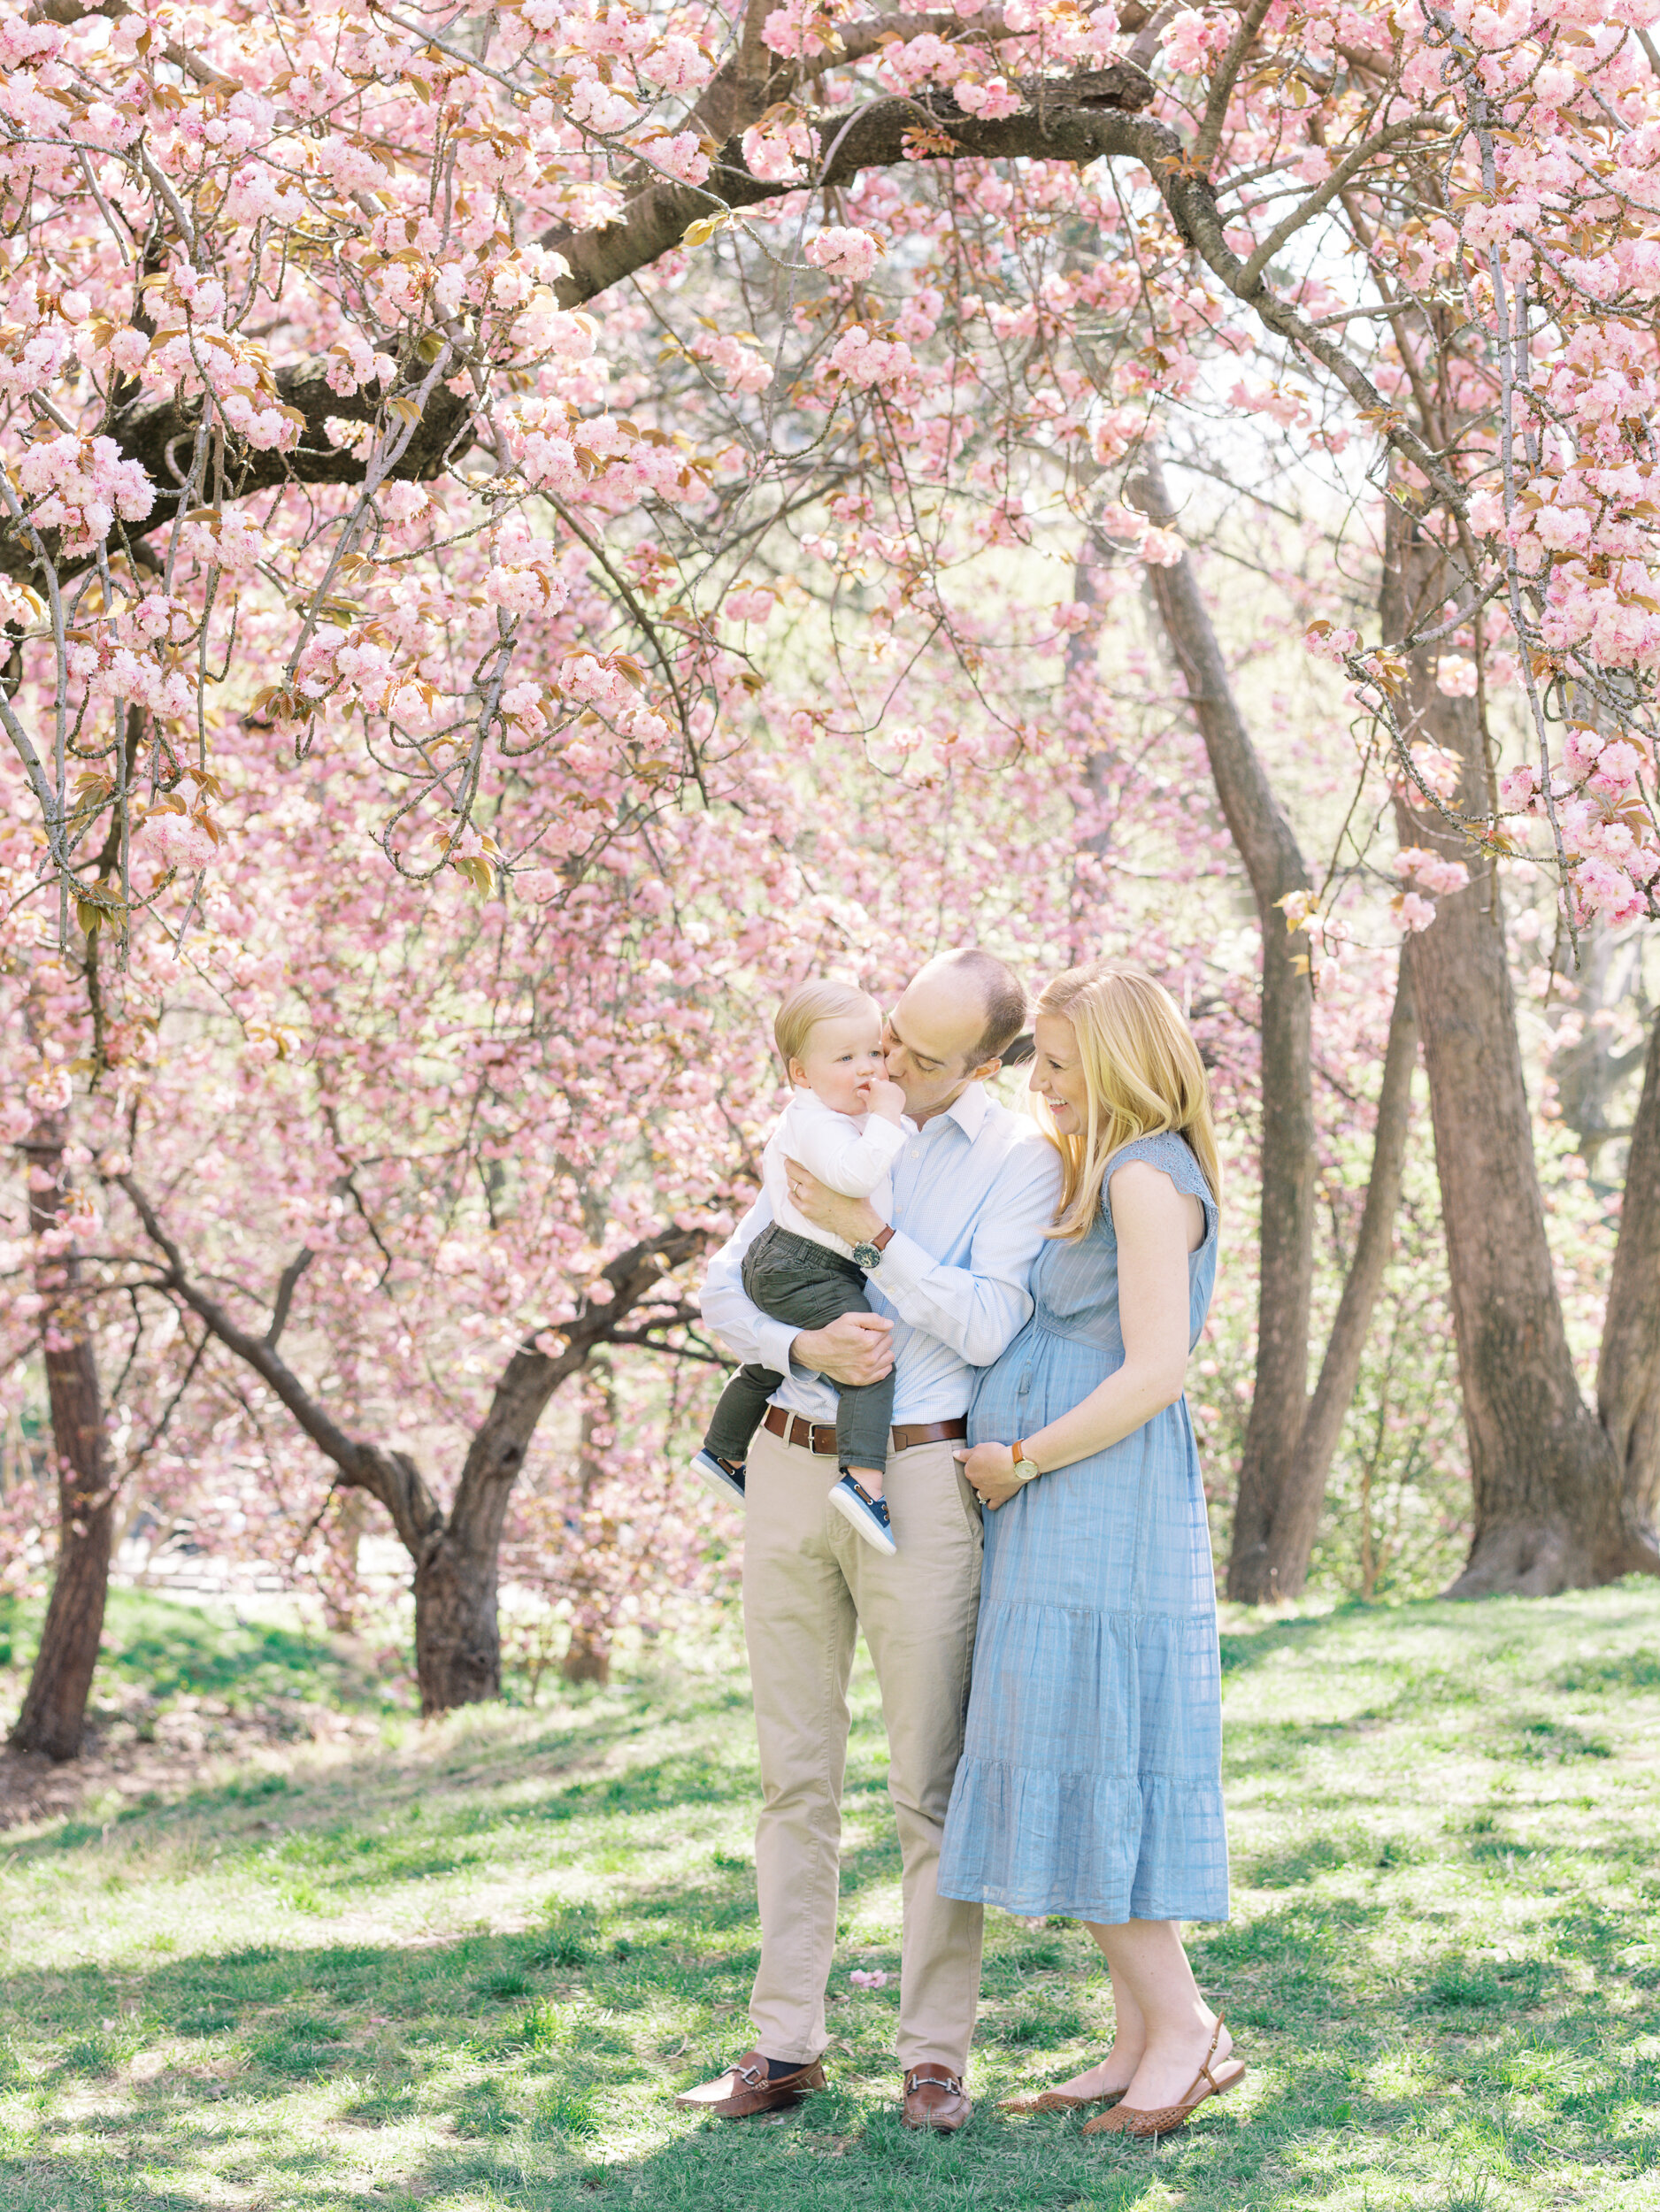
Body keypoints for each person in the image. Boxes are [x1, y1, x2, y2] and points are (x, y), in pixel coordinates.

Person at [676, 949, 1060, 2134]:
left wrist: (871, 1238)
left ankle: (933, 2056)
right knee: (794, 1774)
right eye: (888, 1035)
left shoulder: (1018, 1159)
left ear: (987, 1064)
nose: (888, 1060)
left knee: (925, 1783)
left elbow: (993, 1325)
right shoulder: (824, 1119)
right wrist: (804, 1351)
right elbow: (725, 1294)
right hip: (790, 1465)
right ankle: (783, 2045)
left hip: (926, 1479)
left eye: (923, 1054)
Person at [938, 959, 1245, 2143]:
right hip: (1063, 1505)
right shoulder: (1111, 1170)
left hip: (1095, 1501)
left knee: (1089, 1741)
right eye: (1043, 1064)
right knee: (1080, 1742)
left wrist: (1026, 1458)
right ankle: (1133, 2038)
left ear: (1120, 1061)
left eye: (1064, 1066)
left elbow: (1159, 1366)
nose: (1046, 1087)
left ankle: (1187, 2029)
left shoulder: (1147, 1178)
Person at [693, 979, 910, 1554]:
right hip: (806, 1265)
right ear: (800, 1074)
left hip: (785, 1258)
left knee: (769, 1366)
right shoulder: (814, 1122)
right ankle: (864, 1480)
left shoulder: (831, 1112)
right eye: (845, 1058)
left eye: (874, 1053)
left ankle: (722, 1448)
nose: (866, 1069)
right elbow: (857, 1180)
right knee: (867, 1351)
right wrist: (889, 1115)